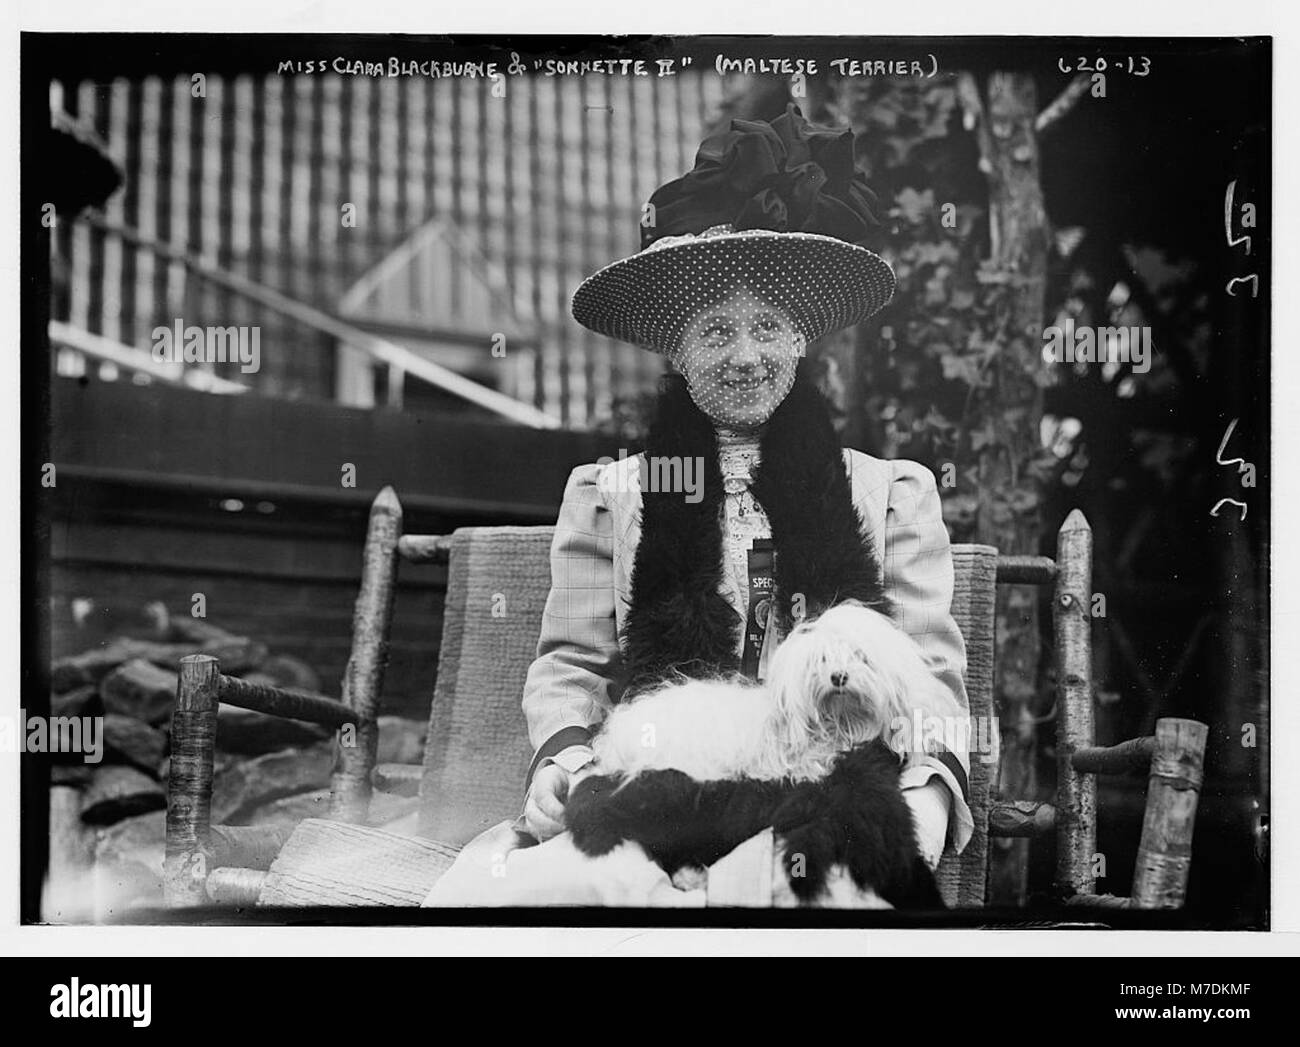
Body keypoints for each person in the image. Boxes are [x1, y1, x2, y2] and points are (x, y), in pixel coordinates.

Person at [424, 104, 972, 907]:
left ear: (803, 340)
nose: (747, 355)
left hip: (827, 796)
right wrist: (563, 762)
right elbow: (572, 666)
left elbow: (932, 680)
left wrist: (923, 798)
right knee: (550, 888)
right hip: (659, 794)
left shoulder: (890, 496)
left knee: (814, 885)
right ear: (674, 351)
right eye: (715, 332)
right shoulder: (611, 497)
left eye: (769, 327)